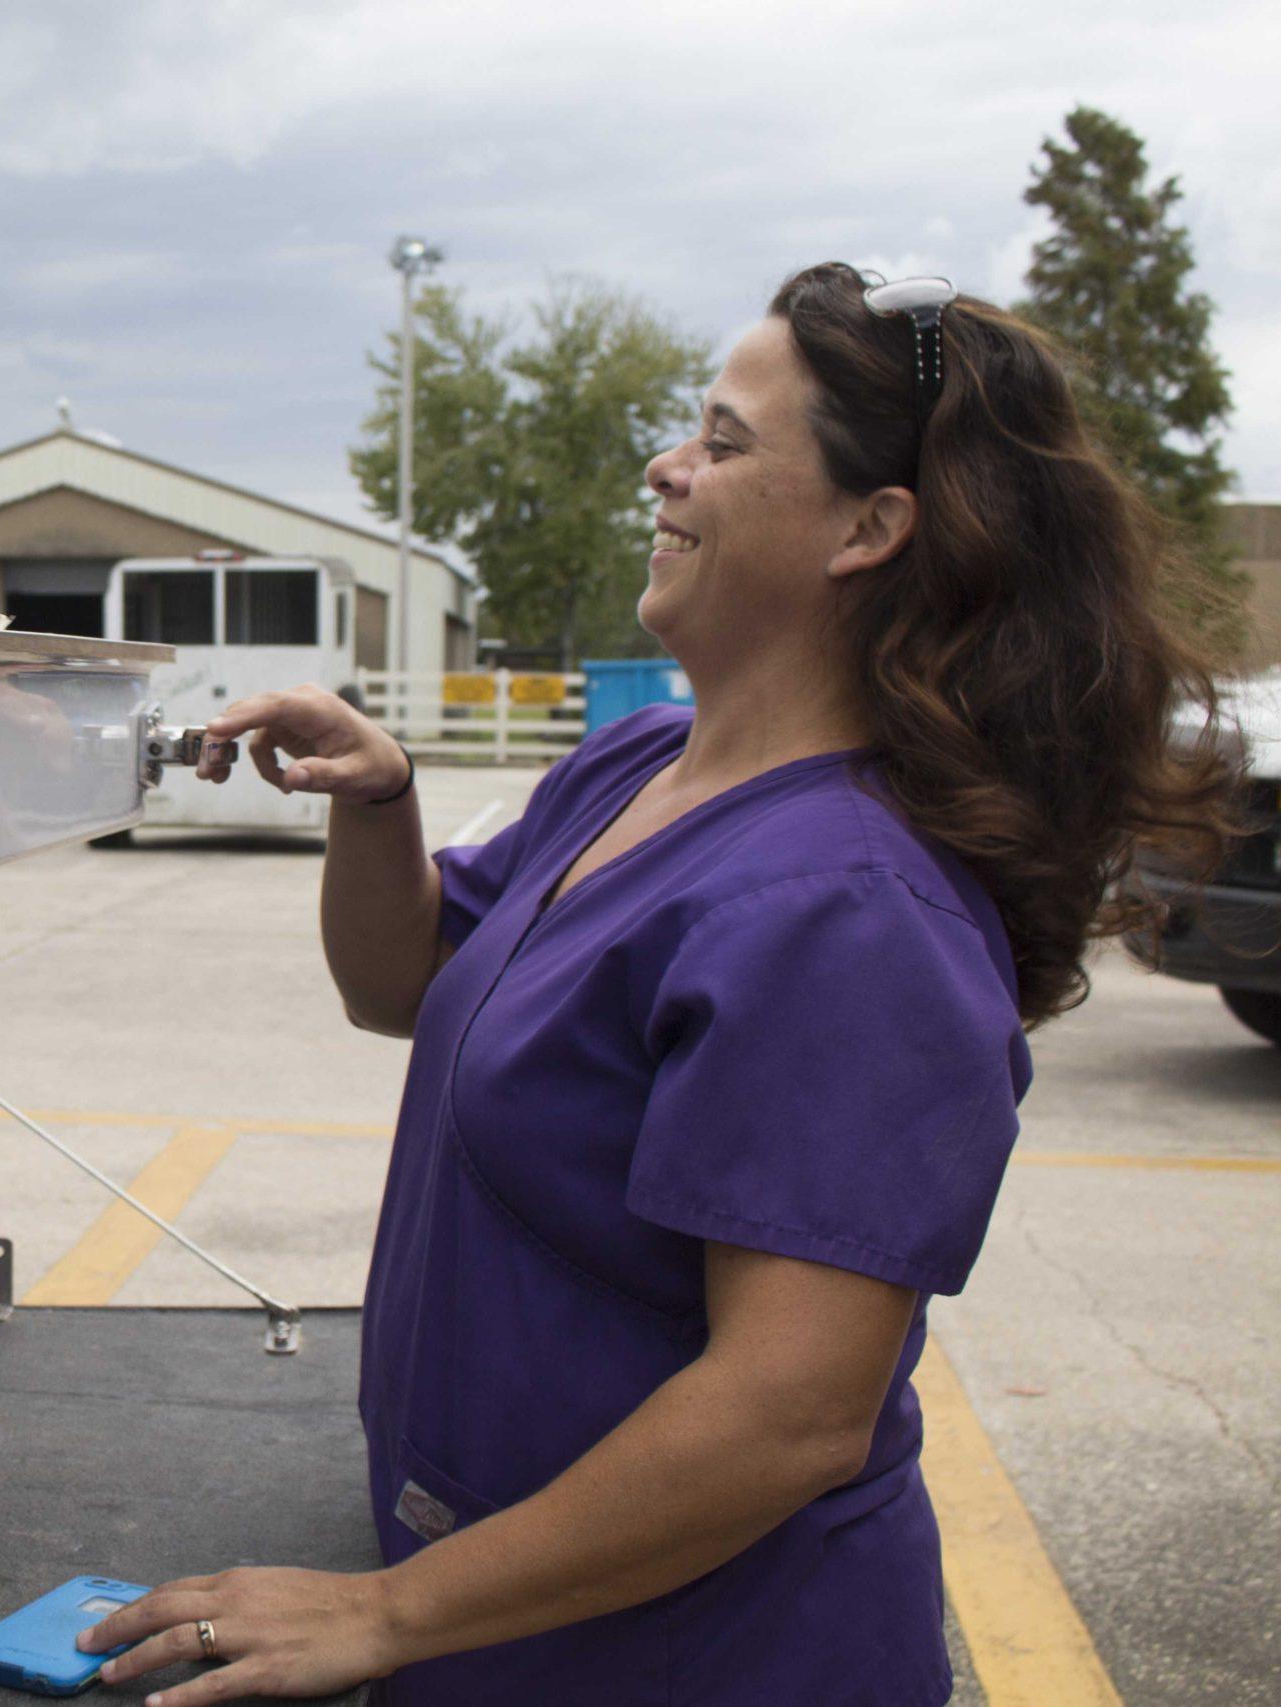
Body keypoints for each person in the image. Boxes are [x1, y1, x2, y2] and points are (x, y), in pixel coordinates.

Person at [74, 263, 1238, 1706]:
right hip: (511, 1617)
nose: (666, 465)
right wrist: (378, 804)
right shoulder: (633, 769)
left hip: (698, 1659)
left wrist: (387, 1613)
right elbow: (408, 986)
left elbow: (788, 1415)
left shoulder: (845, 910)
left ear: (870, 530)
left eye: (726, 442)